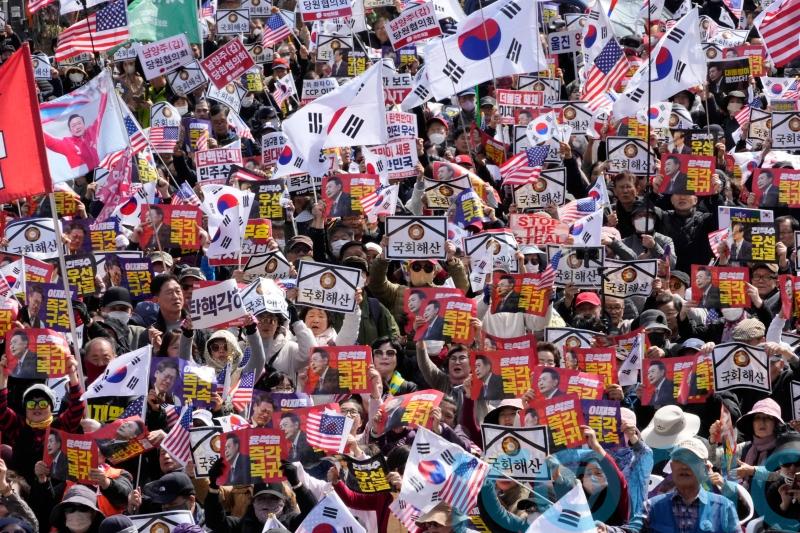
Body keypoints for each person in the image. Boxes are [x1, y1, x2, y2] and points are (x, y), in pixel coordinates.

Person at [42, 88, 110, 175]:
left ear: (84, 125)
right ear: (70, 130)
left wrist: (105, 94)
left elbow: (100, 115)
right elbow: (47, 140)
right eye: (73, 125)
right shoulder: (66, 144)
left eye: (79, 123)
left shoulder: (92, 132)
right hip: (82, 178)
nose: (77, 127)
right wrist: (36, 117)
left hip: (101, 171)